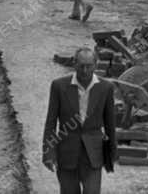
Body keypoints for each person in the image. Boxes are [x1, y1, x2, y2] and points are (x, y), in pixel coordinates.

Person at [42, 46, 117, 193]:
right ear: (74, 63)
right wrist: (48, 153)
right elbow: (51, 122)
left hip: (93, 155)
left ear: (95, 65)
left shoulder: (106, 88)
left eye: (89, 66)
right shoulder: (59, 86)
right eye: (81, 66)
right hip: (66, 154)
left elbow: (110, 124)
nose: (85, 71)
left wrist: (113, 153)